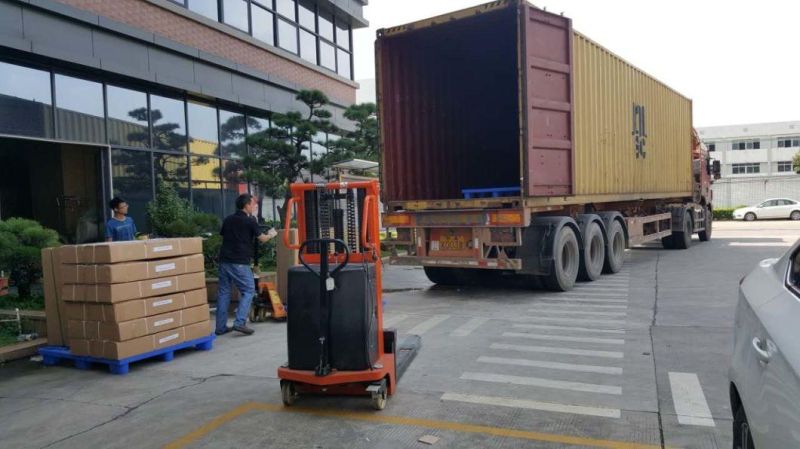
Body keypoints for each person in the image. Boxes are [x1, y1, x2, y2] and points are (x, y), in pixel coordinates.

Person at [216, 193, 278, 336]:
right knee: (249, 290)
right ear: (246, 205)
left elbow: (226, 236)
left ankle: (220, 327)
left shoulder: (228, 219)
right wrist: (271, 234)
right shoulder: (250, 221)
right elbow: (262, 239)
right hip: (239, 262)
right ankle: (239, 323)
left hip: (224, 261)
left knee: (224, 292)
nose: (255, 206)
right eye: (253, 204)